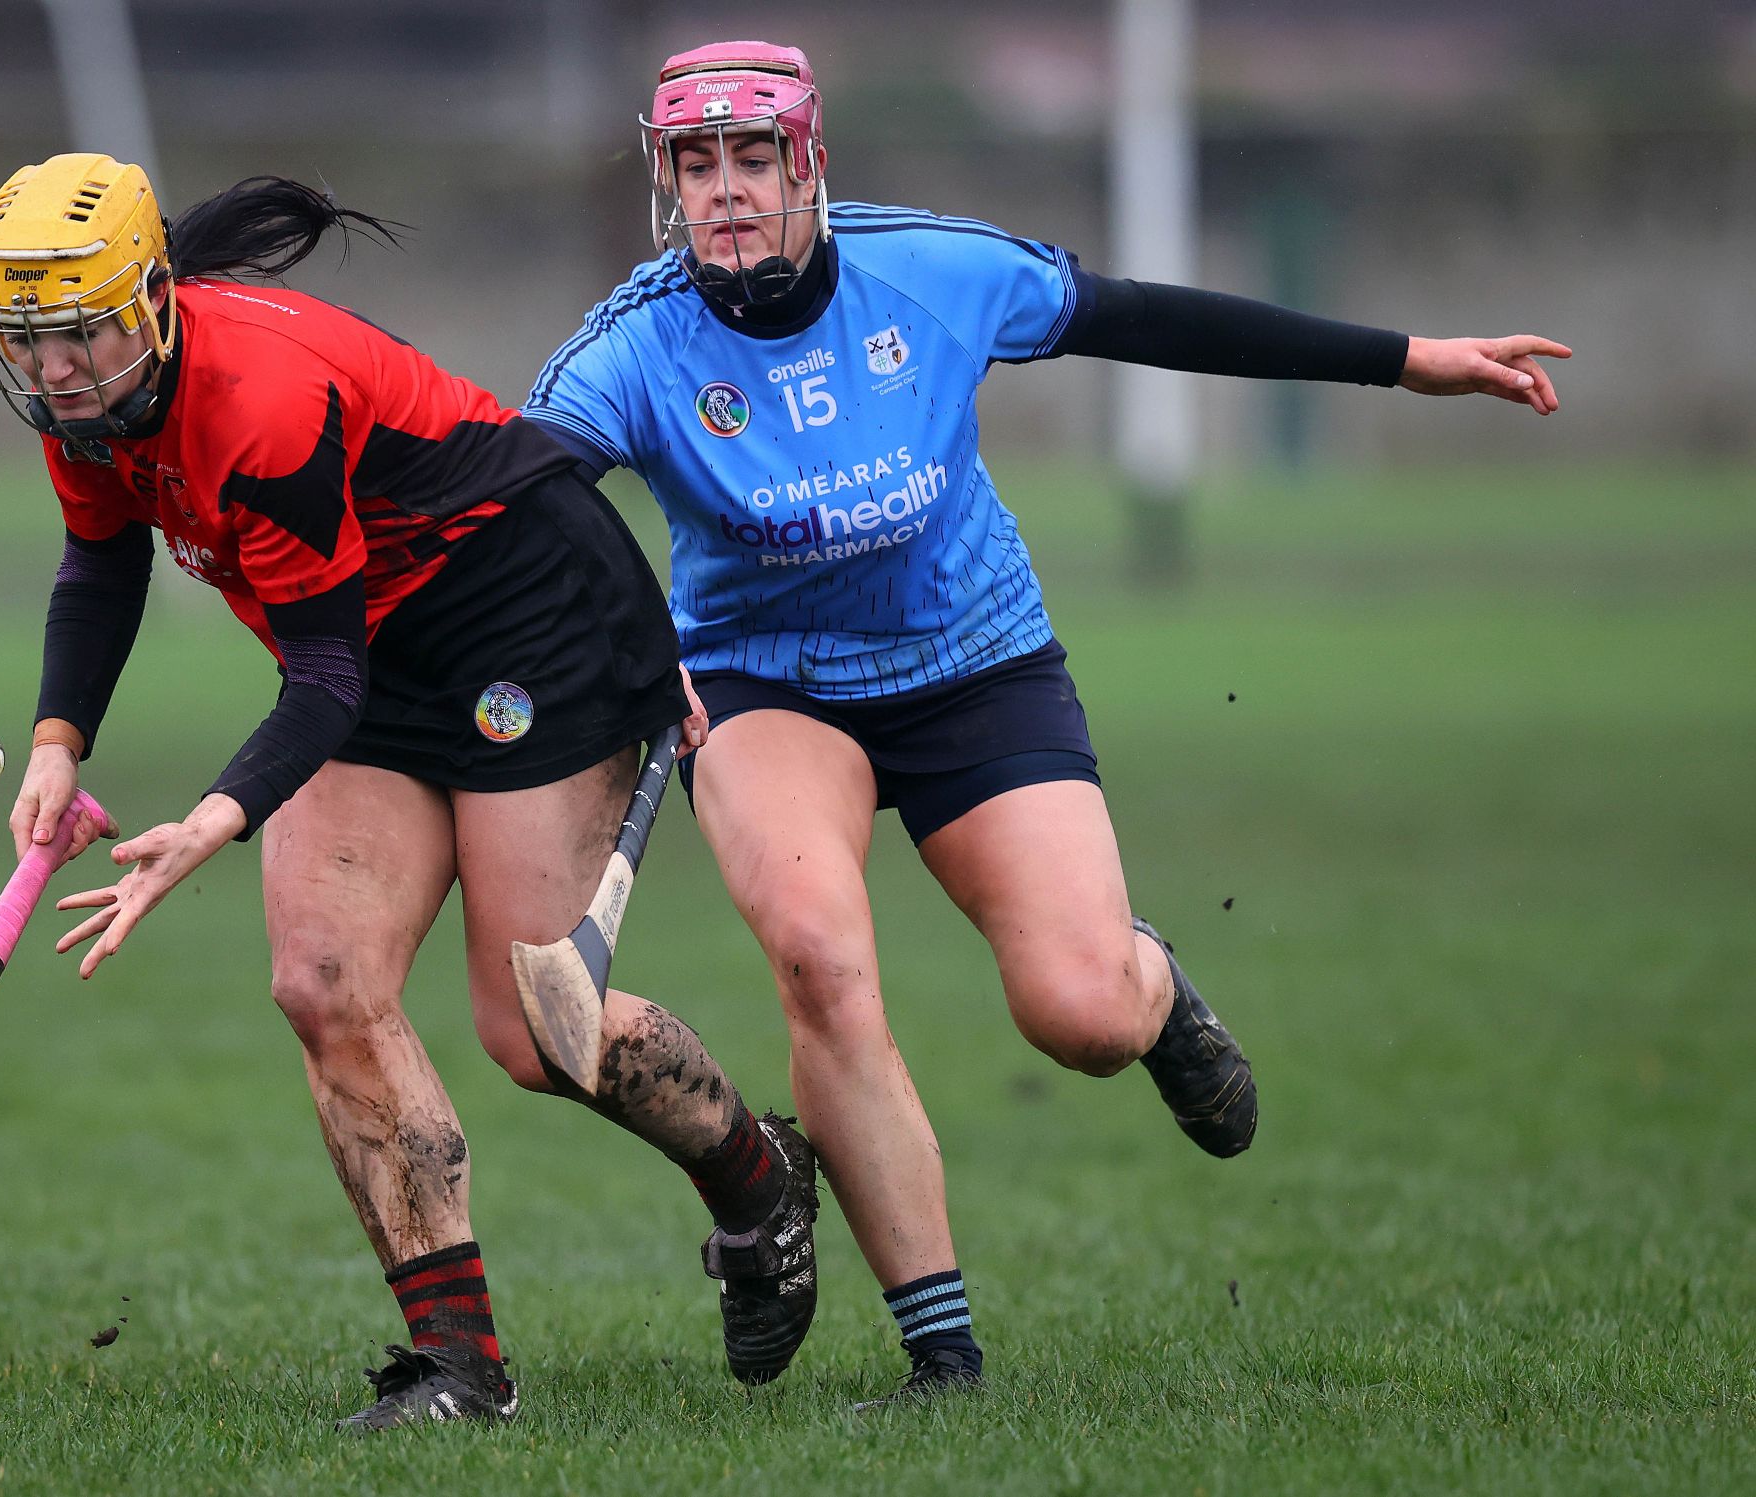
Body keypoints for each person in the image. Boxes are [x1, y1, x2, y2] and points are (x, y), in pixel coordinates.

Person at [520, 41, 1569, 1410]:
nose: (726, 190)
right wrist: (621, 638)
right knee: (820, 961)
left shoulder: (931, 271)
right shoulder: (636, 340)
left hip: (973, 662)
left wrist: (1408, 360)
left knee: (1080, 1013)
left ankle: (1155, 986)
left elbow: (1143, 318)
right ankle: (941, 1356)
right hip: (766, 683)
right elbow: (526, 494)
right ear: (669, 181)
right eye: (696, 163)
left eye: (753, 157)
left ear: (808, 163)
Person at [0, 154, 826, 1429]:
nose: (55, 370)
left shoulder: (257, 401)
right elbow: (101, 563)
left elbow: (321, 680)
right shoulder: (92, 407)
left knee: (538, 1028)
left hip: (531, 620)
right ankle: (457, 1367)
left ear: (151, 299)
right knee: (322, 981)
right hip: (374, 647)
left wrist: (214, 819)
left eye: (80, 332)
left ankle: (760, 1186)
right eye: (26, 341)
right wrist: (56, 742)